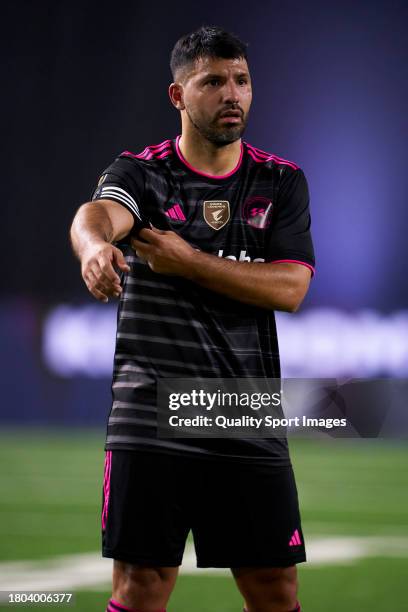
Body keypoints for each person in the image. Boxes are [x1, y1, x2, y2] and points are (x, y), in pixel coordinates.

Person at [70, 25, 315, 612]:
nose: (233, 93)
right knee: (142, 586)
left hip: (242, 408)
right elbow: (96, 216)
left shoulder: (279, 181)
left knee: (274, 587)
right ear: (178, 96)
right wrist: (95, 249)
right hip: (152, 408)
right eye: (213, 82)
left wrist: (188, 262)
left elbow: (291, 287)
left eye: (242, 80)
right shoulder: (143, 173)